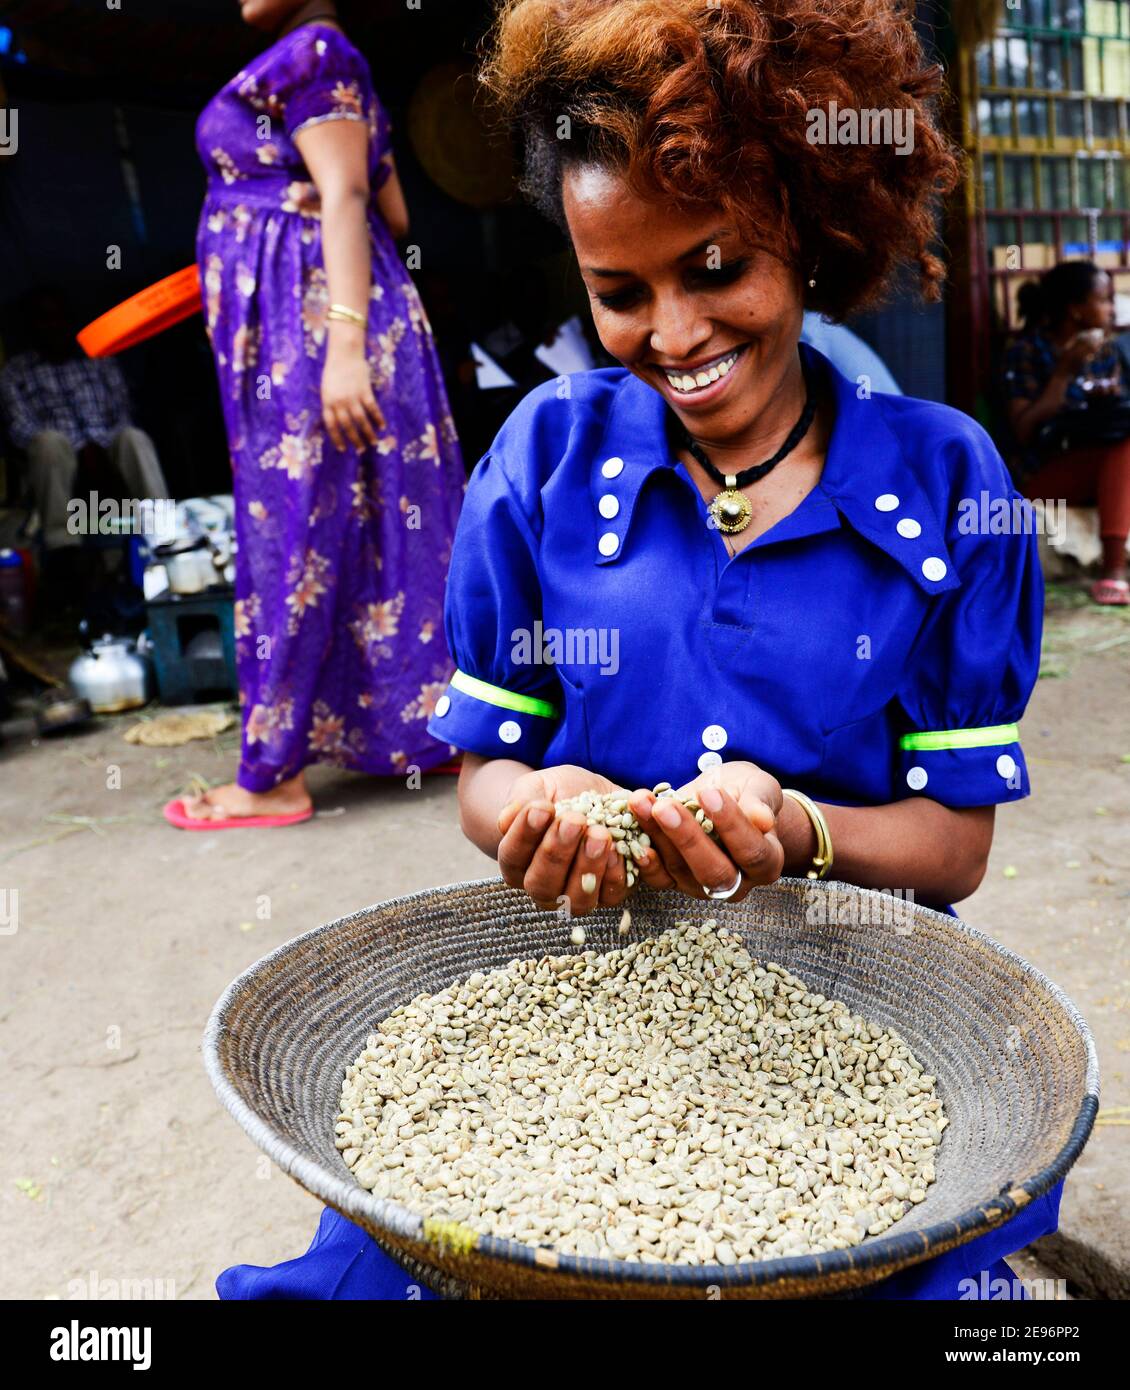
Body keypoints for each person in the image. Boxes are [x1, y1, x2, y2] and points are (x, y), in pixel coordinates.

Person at [218, 0, 1057, 1298]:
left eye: (714, 268)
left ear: (813, 235)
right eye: (619, 292)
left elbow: (953, 843)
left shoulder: (948, 484)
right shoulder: (544, 461)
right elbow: (486, 778)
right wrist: (537, 804)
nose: (670, 334)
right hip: (581, 983)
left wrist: (799, 833)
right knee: (371, 1275)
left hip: (855, 1006)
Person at [167, 0, 465, 831]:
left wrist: (342, 348)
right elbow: (393, 216)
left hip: (320, 336)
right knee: (369, 523)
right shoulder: (331, 63)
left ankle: (271, 777)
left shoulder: (314, 53)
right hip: (325, 329)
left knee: (293, 530)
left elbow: (347, 195)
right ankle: (430, 727)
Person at [0, 286, 170, 579]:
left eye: (58, 317)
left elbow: (122, 411)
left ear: (69, 320)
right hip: (56, 465)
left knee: (134, 437)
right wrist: (81, 448)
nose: (51, 325)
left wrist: (97, 447)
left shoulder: (99, 359)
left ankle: (164, 532)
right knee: (48, 443)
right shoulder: (16, 372)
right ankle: (64, 546)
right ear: (31, 326)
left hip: (107, 453)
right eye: (43, 318)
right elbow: (20, 428)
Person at [1002, 260, 1130, 605]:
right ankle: (1114, 571)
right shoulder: (1027, 351)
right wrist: (1064, 372)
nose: (1111, 308)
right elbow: (1024, 430)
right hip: (1042, 472)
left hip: (1097, 462)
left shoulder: (1104, 352)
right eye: (1103, 300)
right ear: (1075, 310)